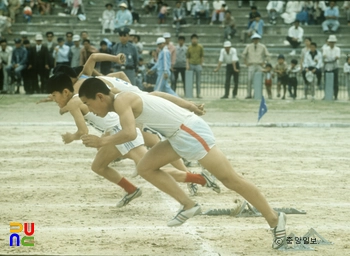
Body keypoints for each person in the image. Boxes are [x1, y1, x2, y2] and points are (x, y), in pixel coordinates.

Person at [78, 67, 287, 250]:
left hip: (189, 131)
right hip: (177, 135)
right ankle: (189, 205)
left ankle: (275, 219)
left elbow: (131, 133)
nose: (88, 109)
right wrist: (188, 105)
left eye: (87, 103)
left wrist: (102, 142)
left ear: (100, 97)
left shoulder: (122, 100)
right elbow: (157, 95)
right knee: (145, 168)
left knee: (231, 180)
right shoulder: (121, 96)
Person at [241, 33, 270, 99]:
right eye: (254, 39)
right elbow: (243, 55)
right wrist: (246, 63)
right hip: (251, 64)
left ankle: (256, 94)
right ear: (252, 40)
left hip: (259, 65)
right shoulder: (248, 46)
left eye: (257, 39)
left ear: (259, 39)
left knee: (258, 80)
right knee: (249, 80)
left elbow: (268, 55)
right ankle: (249, 94)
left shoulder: (262, 46)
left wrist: (264, 62)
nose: (256, 40)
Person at [323, 34, 340, 100]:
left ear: (335, 42)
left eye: (333, 42)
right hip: (327, 67)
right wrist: (332, 59)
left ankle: (335, 96)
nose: (331, 43)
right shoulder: (325, 49)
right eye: (330, 42)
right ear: (328, 42)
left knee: (335, 82)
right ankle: (326, 95)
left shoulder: (337, 49)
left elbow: (337, 57)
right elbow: (325, 57)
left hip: (335, 67)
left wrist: (329, 59)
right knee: (326, 82)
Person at [186, 33, 204, 98]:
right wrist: (187, 65)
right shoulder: (189, 47)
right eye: (193, 39)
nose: (194, 40)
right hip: (191, 64)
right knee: (190, 81)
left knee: (198, 81)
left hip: (198, 64)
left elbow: (202, 56)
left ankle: (198, 94)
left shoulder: (200, 47)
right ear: (191, 40)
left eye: (195, 39)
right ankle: (190, 94)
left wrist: (201, 65)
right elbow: (187, 57)